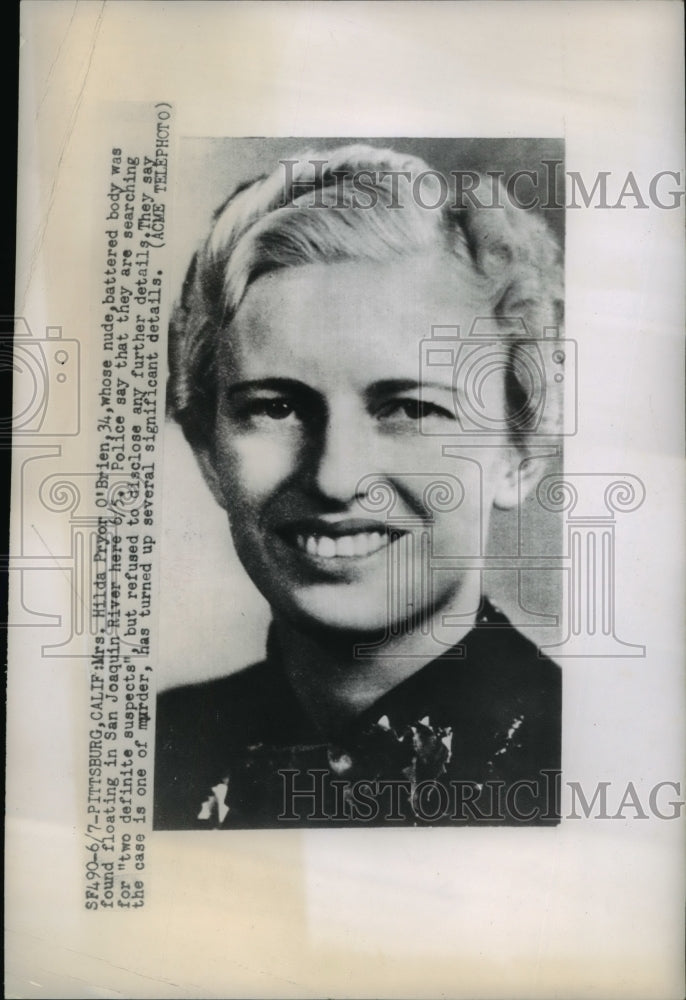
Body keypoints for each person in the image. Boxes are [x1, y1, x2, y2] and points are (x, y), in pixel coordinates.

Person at [154, 144, 563, 829]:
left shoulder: (593, 760)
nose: (337, 478)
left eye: (409, 408)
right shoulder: (160, 745)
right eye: (276, 408)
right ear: (206, 452)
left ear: (519, 453)